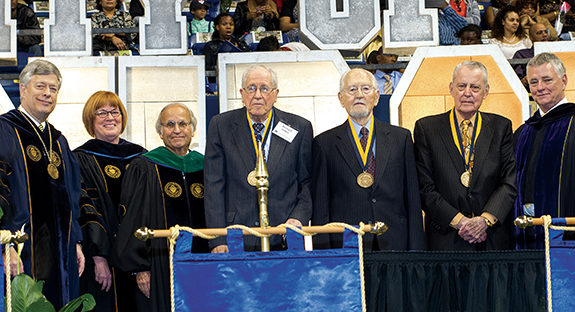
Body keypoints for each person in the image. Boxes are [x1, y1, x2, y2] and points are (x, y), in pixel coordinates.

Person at [0, 59, 85, 309]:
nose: (47, 94)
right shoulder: (5, 130)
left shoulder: (59, 141)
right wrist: (5, 245)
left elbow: (73, 195)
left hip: (62, 248)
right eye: (40, 86)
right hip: (19, 247)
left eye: (53, 88)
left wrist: (77, 242)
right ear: (23, 89)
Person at [311, 68, 425, 251]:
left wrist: (416, 249)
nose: (359, 95)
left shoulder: (401, 138)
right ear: (341, 98)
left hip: (395, 241)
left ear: (377, 96)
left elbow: (412, 198)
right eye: (352, 89)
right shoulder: (324, 144)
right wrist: (325, 256)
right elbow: (321, 208)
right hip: (347, 245)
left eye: (365, 89)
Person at [204, 65, 313, 252]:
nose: (258, 95)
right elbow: (214, 186)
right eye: (251, 88)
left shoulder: (300, 127)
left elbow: (307, 182)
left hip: (284, 235)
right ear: (242, 93)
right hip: (235, 236)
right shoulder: (221, 126)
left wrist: (298, 217)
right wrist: (218, 239)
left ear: (276, 94)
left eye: (264, 88)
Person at [113, 103, 209, 312]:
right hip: (159, 265)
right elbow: (133, 221)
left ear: (192, 129)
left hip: (204, 264)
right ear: (160, 131)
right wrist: (141, 268)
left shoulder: (206, 166)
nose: (176, 130)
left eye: (183, 124)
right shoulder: (145, 167)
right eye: (170, 124)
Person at [413, 61, 517, 251]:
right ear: (452, 89)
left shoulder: (502, 127)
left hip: (492, 239)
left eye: (475, 87)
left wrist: (484, 220)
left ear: (485, 92)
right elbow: (424, 187)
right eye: (462, 86)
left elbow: (508, 182)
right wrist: (460, 222)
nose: (467, 93)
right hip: (445, 240)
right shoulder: (426, 129)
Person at [73, 91, 146, 312]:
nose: (110, 117)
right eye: (101, 113)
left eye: (115, 112)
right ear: (90, 120)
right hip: (103, 259)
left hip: (140, 260)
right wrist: (99, 255)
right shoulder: (80, 158)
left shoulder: (142, 158)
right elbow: (86, 208)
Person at [514, 52, 575, 249]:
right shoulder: (523, 132)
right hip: (527, 235)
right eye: (534, 82)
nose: (540, 88)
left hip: (568, 236)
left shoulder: (573, 123)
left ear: (563, 80)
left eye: (547, 80)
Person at [513, 23, 549, 88]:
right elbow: (517, 79)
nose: (545, 35)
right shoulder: (521, 54)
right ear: (531, 38)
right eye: (540, 33)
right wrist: (524, 79)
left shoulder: (557, 52)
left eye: (546, 32)